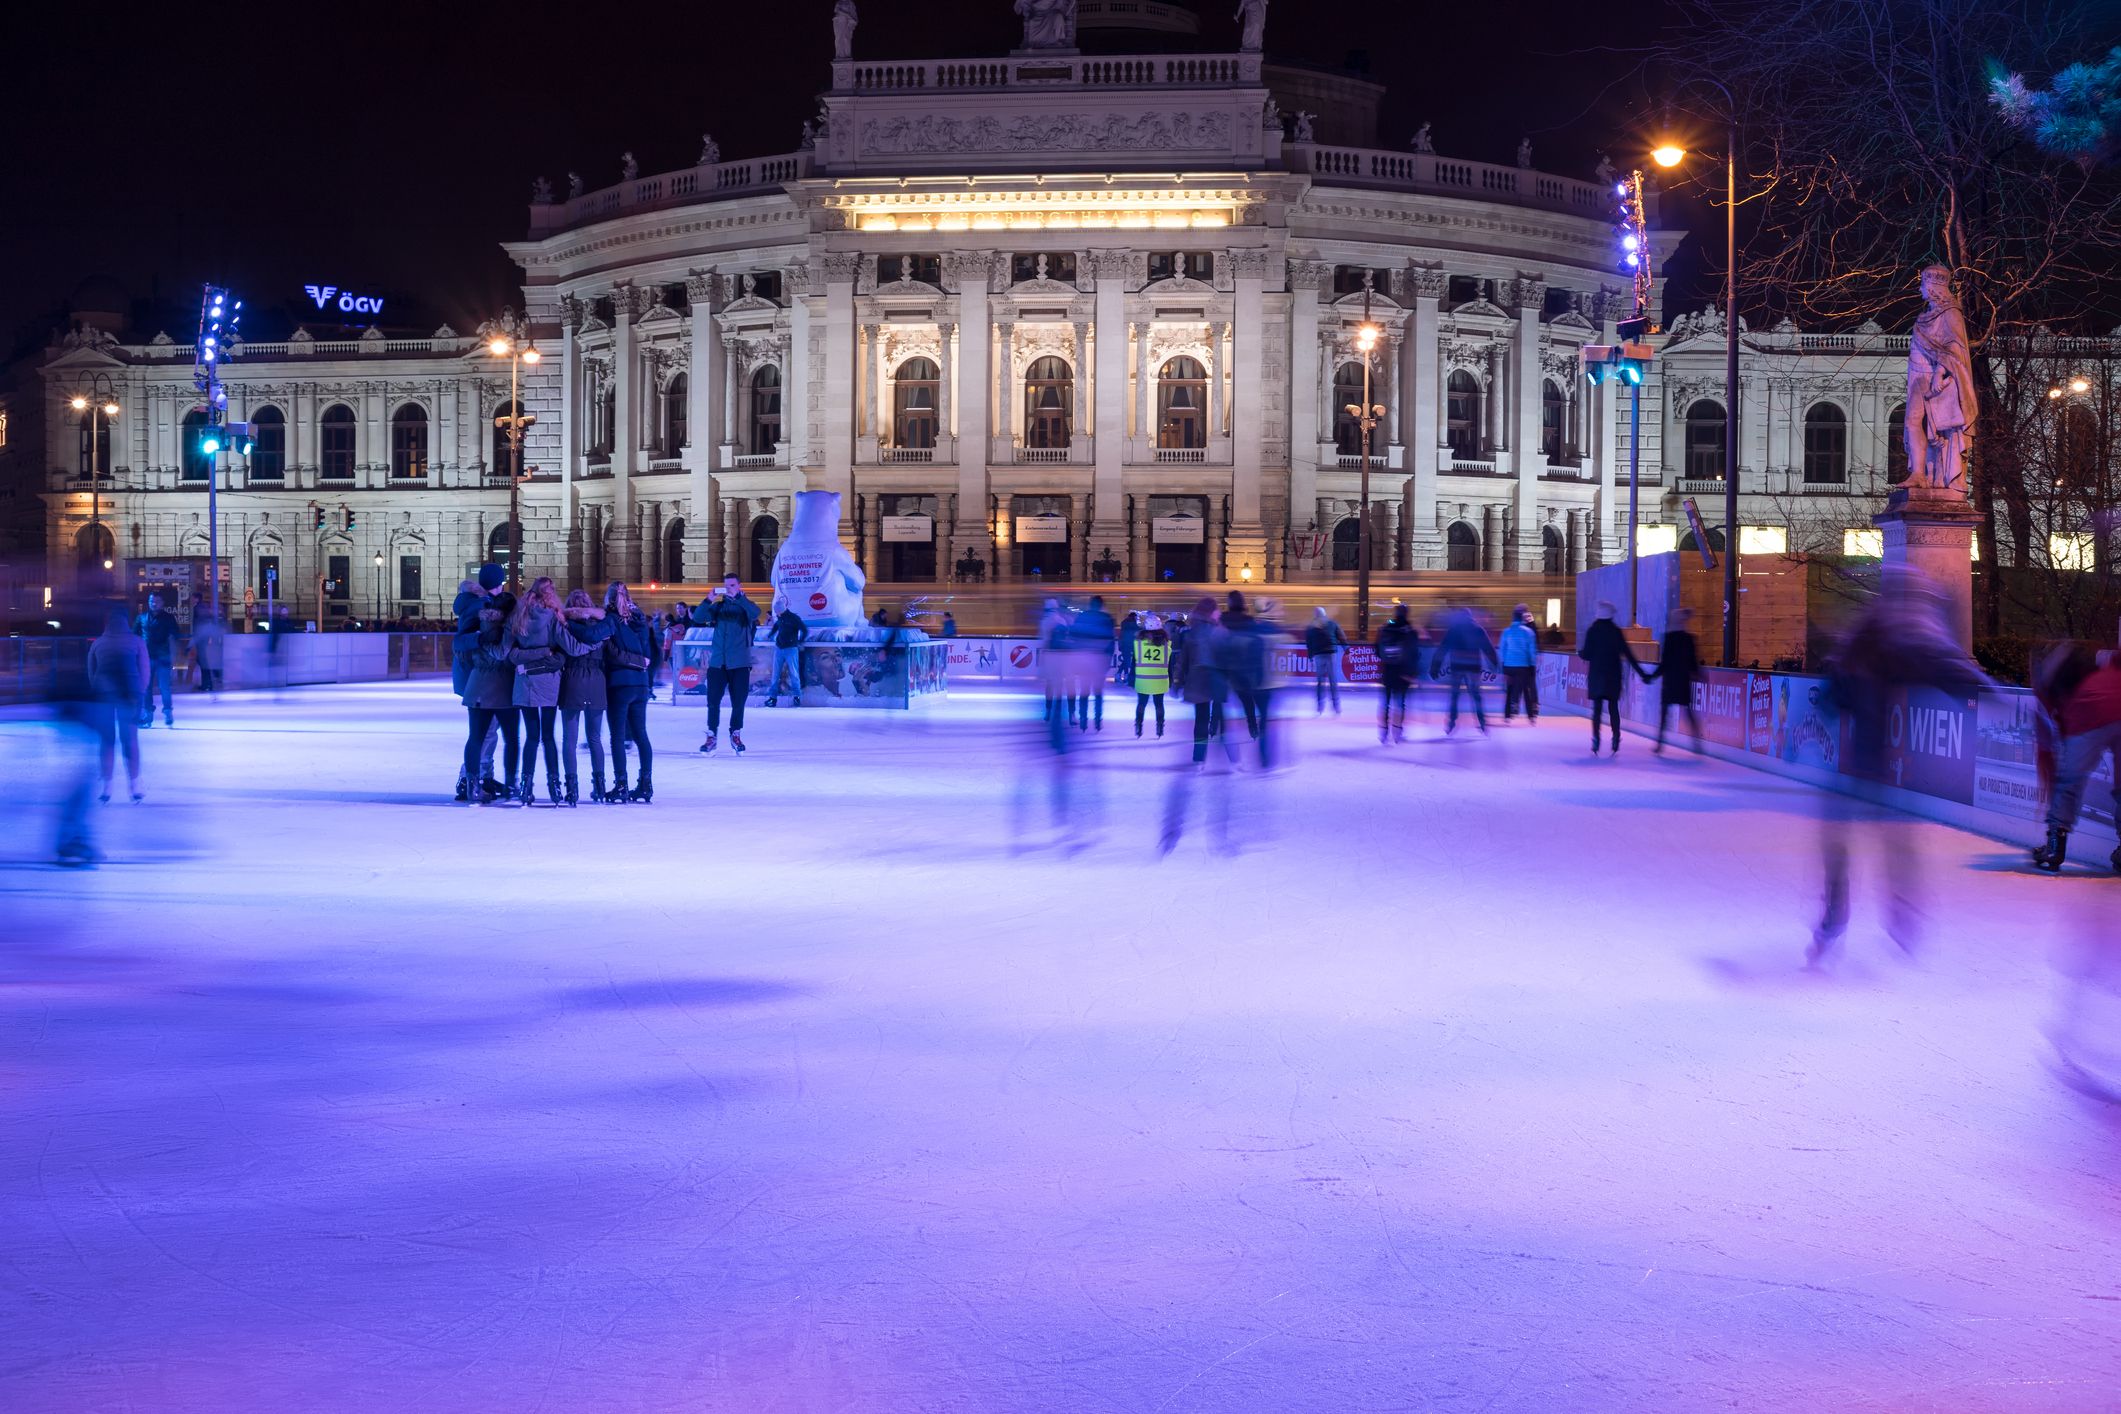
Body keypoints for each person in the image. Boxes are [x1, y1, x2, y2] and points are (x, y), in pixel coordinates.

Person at [2032, 638, 2121, 873]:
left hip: (2088, 712)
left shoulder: (2047, 694)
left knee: (2070, 780)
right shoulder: (2104, 661)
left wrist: (2050, 797)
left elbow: (2047, 752)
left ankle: (2054, 846)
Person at [505, 576, 568, 806]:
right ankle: (554, 786)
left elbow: (509, 652)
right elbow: (566, 646)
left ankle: (525, 786)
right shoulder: (553, 617)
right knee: (548, 736)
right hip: (548, 681)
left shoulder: (519, 616)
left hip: (525, 681)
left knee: (531, 737)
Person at [461, 587, 521, 806]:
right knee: (511, 739)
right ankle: (511, 783)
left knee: (475, 738)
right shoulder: (511, 630)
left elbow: (462, 651)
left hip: (477, 686)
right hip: (505, 689)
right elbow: (509, 655)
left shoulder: (478, 625)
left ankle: (473, 786)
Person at [451, 567, 506, 801]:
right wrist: (483, 639)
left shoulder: (478, 602)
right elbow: (461, 641)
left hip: (479, 677)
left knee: (491, 730)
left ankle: (483, 776)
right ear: (499, 583)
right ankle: (468, 779)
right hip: (479, 678)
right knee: (485, 731)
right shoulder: (480, 605)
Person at [557, 588, 613, 805]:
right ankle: (599, 786)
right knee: (595, 738)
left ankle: (571, 788)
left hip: (572, 679)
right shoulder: (601, 627)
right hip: (597, 680)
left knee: (569, 739)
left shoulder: (566, 626)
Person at [87, 606, 148, 804]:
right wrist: (141, 692)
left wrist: (96, 689)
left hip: (103, 695)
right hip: (130, 695)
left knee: (106, 741)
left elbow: (91, 671)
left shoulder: (98, 643)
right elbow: (144, 670)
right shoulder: (137, 642)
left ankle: (107, 786)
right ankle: (135, 785)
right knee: (130, 740)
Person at [605, 581, 657, 802]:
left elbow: (611, 652)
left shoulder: (610, 619)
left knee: (617, 737)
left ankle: (621, 785)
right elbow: (647, 653)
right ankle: (645, 784)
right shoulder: (640, 620)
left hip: (619, 683)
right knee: (640, 735)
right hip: (641, 685)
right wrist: (641, 664)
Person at [698, 573, 760, 754]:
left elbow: (756, 613)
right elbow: (698, 617)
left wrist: (739, 598)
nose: (729, 589)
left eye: (733, 585)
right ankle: (712, 736)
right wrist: (708, 599)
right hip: (718, 662)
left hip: (740, 663)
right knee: (713, 701)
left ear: (739, 586)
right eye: (726, 586)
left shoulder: (746, 608)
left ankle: (735, 733)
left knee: (738, 702)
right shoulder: (718, 607)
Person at [1578, 601, 1645, 756]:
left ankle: (1596, 738)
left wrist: (1581, 653)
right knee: (1613, 708)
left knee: (1597, 710)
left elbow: (1587, 653)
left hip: (1597, 676)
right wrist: (1642, 673)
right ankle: (1615, 737)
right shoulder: (1616, 632)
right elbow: (1628, 653)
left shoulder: (1592, 631)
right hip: (1613, 676)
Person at [1172, 596, 1230, 766]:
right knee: (1219, 713)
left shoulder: (1192, 632)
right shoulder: (1220, 631)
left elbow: (1182, 661)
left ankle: (1198, 757)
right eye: (1216, 609)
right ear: (1211, 612)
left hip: (1198, 681)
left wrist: (1176, 682)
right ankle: (1229, 755)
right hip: (1216, 679)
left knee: (1201, 719)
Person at [1218, 591, 1273, 767]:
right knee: (1248, 703)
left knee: (1221, 706)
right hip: (1244, 670)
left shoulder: (1222, 619)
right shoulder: (1249, 621)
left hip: (1225, 670)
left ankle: (1223, 736)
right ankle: (1253, 729)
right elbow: (1256, 646)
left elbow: (1217, 643)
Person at [1648, 608, 1704, 755]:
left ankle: (1660, 743)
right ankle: (1696, 743)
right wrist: (1698, 674)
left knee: (1665, 713)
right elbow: (1693, 660)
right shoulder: (1689, 639)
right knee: (1688, 711)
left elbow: (1664, 662)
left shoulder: (1669, 638)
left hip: (1670, 681)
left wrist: (1652, 676)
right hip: (1683, 681)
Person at [1439, 608, 1498, 734]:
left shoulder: (1453, 630)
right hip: (1473, 667)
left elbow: (1443, 648)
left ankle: (1451, 723)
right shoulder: (1478, 629)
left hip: (1457, 666)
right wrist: (1494, 664)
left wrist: (1435, 666)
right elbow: (1488, 648)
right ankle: (1482, 723)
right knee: (1476, 695)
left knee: (1454, 695)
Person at [1069, 594, 1117, 730]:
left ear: (1090, 604)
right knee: (1098, 692)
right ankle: (1097, 720)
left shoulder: (1082, 616)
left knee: (1084, 691)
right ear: (1102, 605)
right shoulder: (1107, 619)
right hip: (1099, 660)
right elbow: (1111, 642)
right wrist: (1107, 660)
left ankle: (1083, 719)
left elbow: (1074, 637)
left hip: (1084, 659)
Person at [1376, 603, 1420, 744]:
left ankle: (1383, 732)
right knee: (1400, 703)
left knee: (1386, 703)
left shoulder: (1386, 627)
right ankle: (1397, 731)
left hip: (1388, 670)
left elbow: (1377, 649)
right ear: (1407, 613)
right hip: (1403, 672)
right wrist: (1412, 672)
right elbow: (1414, 653)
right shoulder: (1409, 630)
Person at [135, 592, 180, 727]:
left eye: (156, 601)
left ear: (162, 603)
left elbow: (174, 636)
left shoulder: (168, 618)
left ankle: (167, 711)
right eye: (151, 601)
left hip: (163, 657)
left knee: (164, 686)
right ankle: (148, 714)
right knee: (146, 687)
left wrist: (175, 659)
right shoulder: (142, 618)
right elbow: (134, 636)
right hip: (146, 657)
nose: (153, 603)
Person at [1132, 612, 1172, 737]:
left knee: (1141, 704)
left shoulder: (1138, 644)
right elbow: (1170, 664)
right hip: (1160, 679)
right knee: (1159, 704)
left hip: (1143, 679)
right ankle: (1160, 727)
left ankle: (1138, 726)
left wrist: (1131, 678)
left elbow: (1134, 663)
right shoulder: (1166, 645)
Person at [1498, 604, 1539, 722]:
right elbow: (1532, 651)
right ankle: (1531, 717)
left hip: (1509, 666)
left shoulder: (1506, 632)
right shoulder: (1528, 632)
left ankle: (1507, 716)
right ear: (1522, 618)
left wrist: (1503, 667)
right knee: (1526, 690)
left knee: (1509, 690)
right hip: (1523, 666)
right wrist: (1532, 665)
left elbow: (1502, 650)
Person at [1304, 607, 1346, 715]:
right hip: (1331, 653)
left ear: (1315, 615)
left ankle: (1319, 706)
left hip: (1318, 654)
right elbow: (1341, 636)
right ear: (1324, 614)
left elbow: (1309, 642)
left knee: (1320, 681)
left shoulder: (1311, 626)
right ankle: (1336, 706)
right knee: (1333, 680)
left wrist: (1310, 656)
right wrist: (1346, 649)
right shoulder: (1332, 623)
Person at [765, 605, 809, 707]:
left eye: (777, 612)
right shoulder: (780, 618)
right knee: (775, 674)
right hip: (779, 648)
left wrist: (799, 642)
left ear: (780, 611)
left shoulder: (794, 618)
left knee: (794, 674)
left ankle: (797, 697)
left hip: (791, 649)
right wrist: (770, 634)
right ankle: (772, 698)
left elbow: (804, 630)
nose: (776, 614)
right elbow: (776, 626)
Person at [191, 612, 226, 693]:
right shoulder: (210, 627)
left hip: (205, 650)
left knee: (206, 668)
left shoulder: (204, 627)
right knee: (207, 668)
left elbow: (198, 637)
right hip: (206, 650)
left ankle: (208, 684)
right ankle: (209, 684)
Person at [1117, 611, 1140, 689]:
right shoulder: (1133, 624)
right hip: (1131, 645)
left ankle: (1119, 674)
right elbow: (1139, 631)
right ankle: (1126, 677)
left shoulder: (1124, 623)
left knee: (1126, 660)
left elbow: (1121, 635)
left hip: (1124, 644)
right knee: (1129, 661)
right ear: (1134, 617)